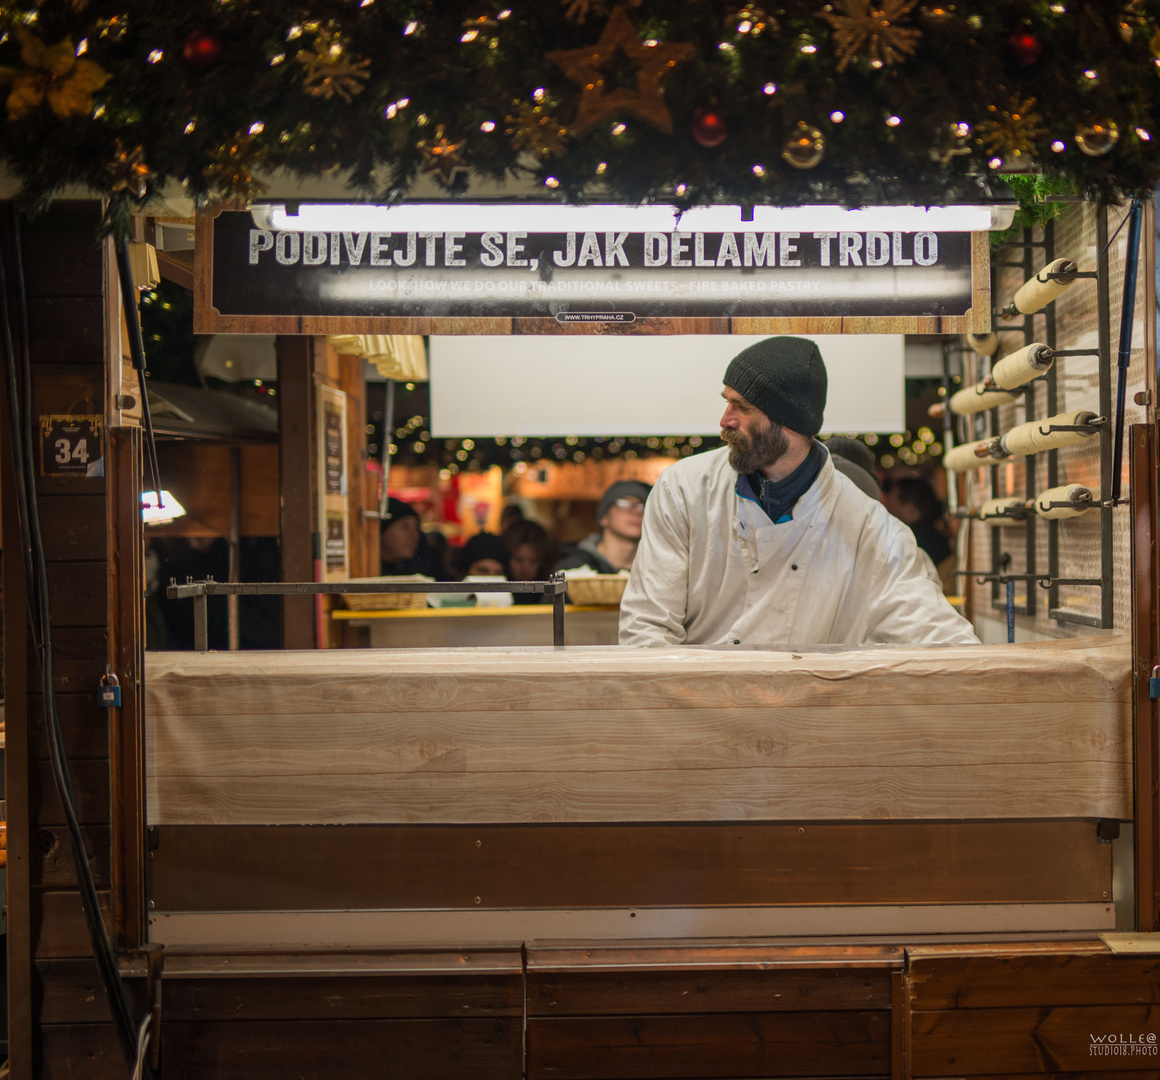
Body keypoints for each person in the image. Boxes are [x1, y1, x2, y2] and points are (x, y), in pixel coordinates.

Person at [619, 336, 979, 647]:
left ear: (790, 421)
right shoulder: (683, 490)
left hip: (807, 720)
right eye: (727, 401)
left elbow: (941, 639)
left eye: (742, 407)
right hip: (695, 711)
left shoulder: (871, 531)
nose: (725, 419)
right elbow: (647, 628)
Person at [554, 480, 652, 574]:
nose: (636, 511)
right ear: (604, 517)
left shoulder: (653, 571)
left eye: (642, 505)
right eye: (624, 503)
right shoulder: (572, 569)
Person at [380, 497, 445, 578]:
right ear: (381, 531)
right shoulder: (367, 569)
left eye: (416, 527)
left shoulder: (429, 566)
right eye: (404, 527)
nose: (414, 535)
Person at [503, 519, 557, 605]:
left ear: (542, 561)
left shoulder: (551, 594)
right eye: (518, 560)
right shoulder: (500, 593)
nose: (525, 568)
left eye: (533, 561)